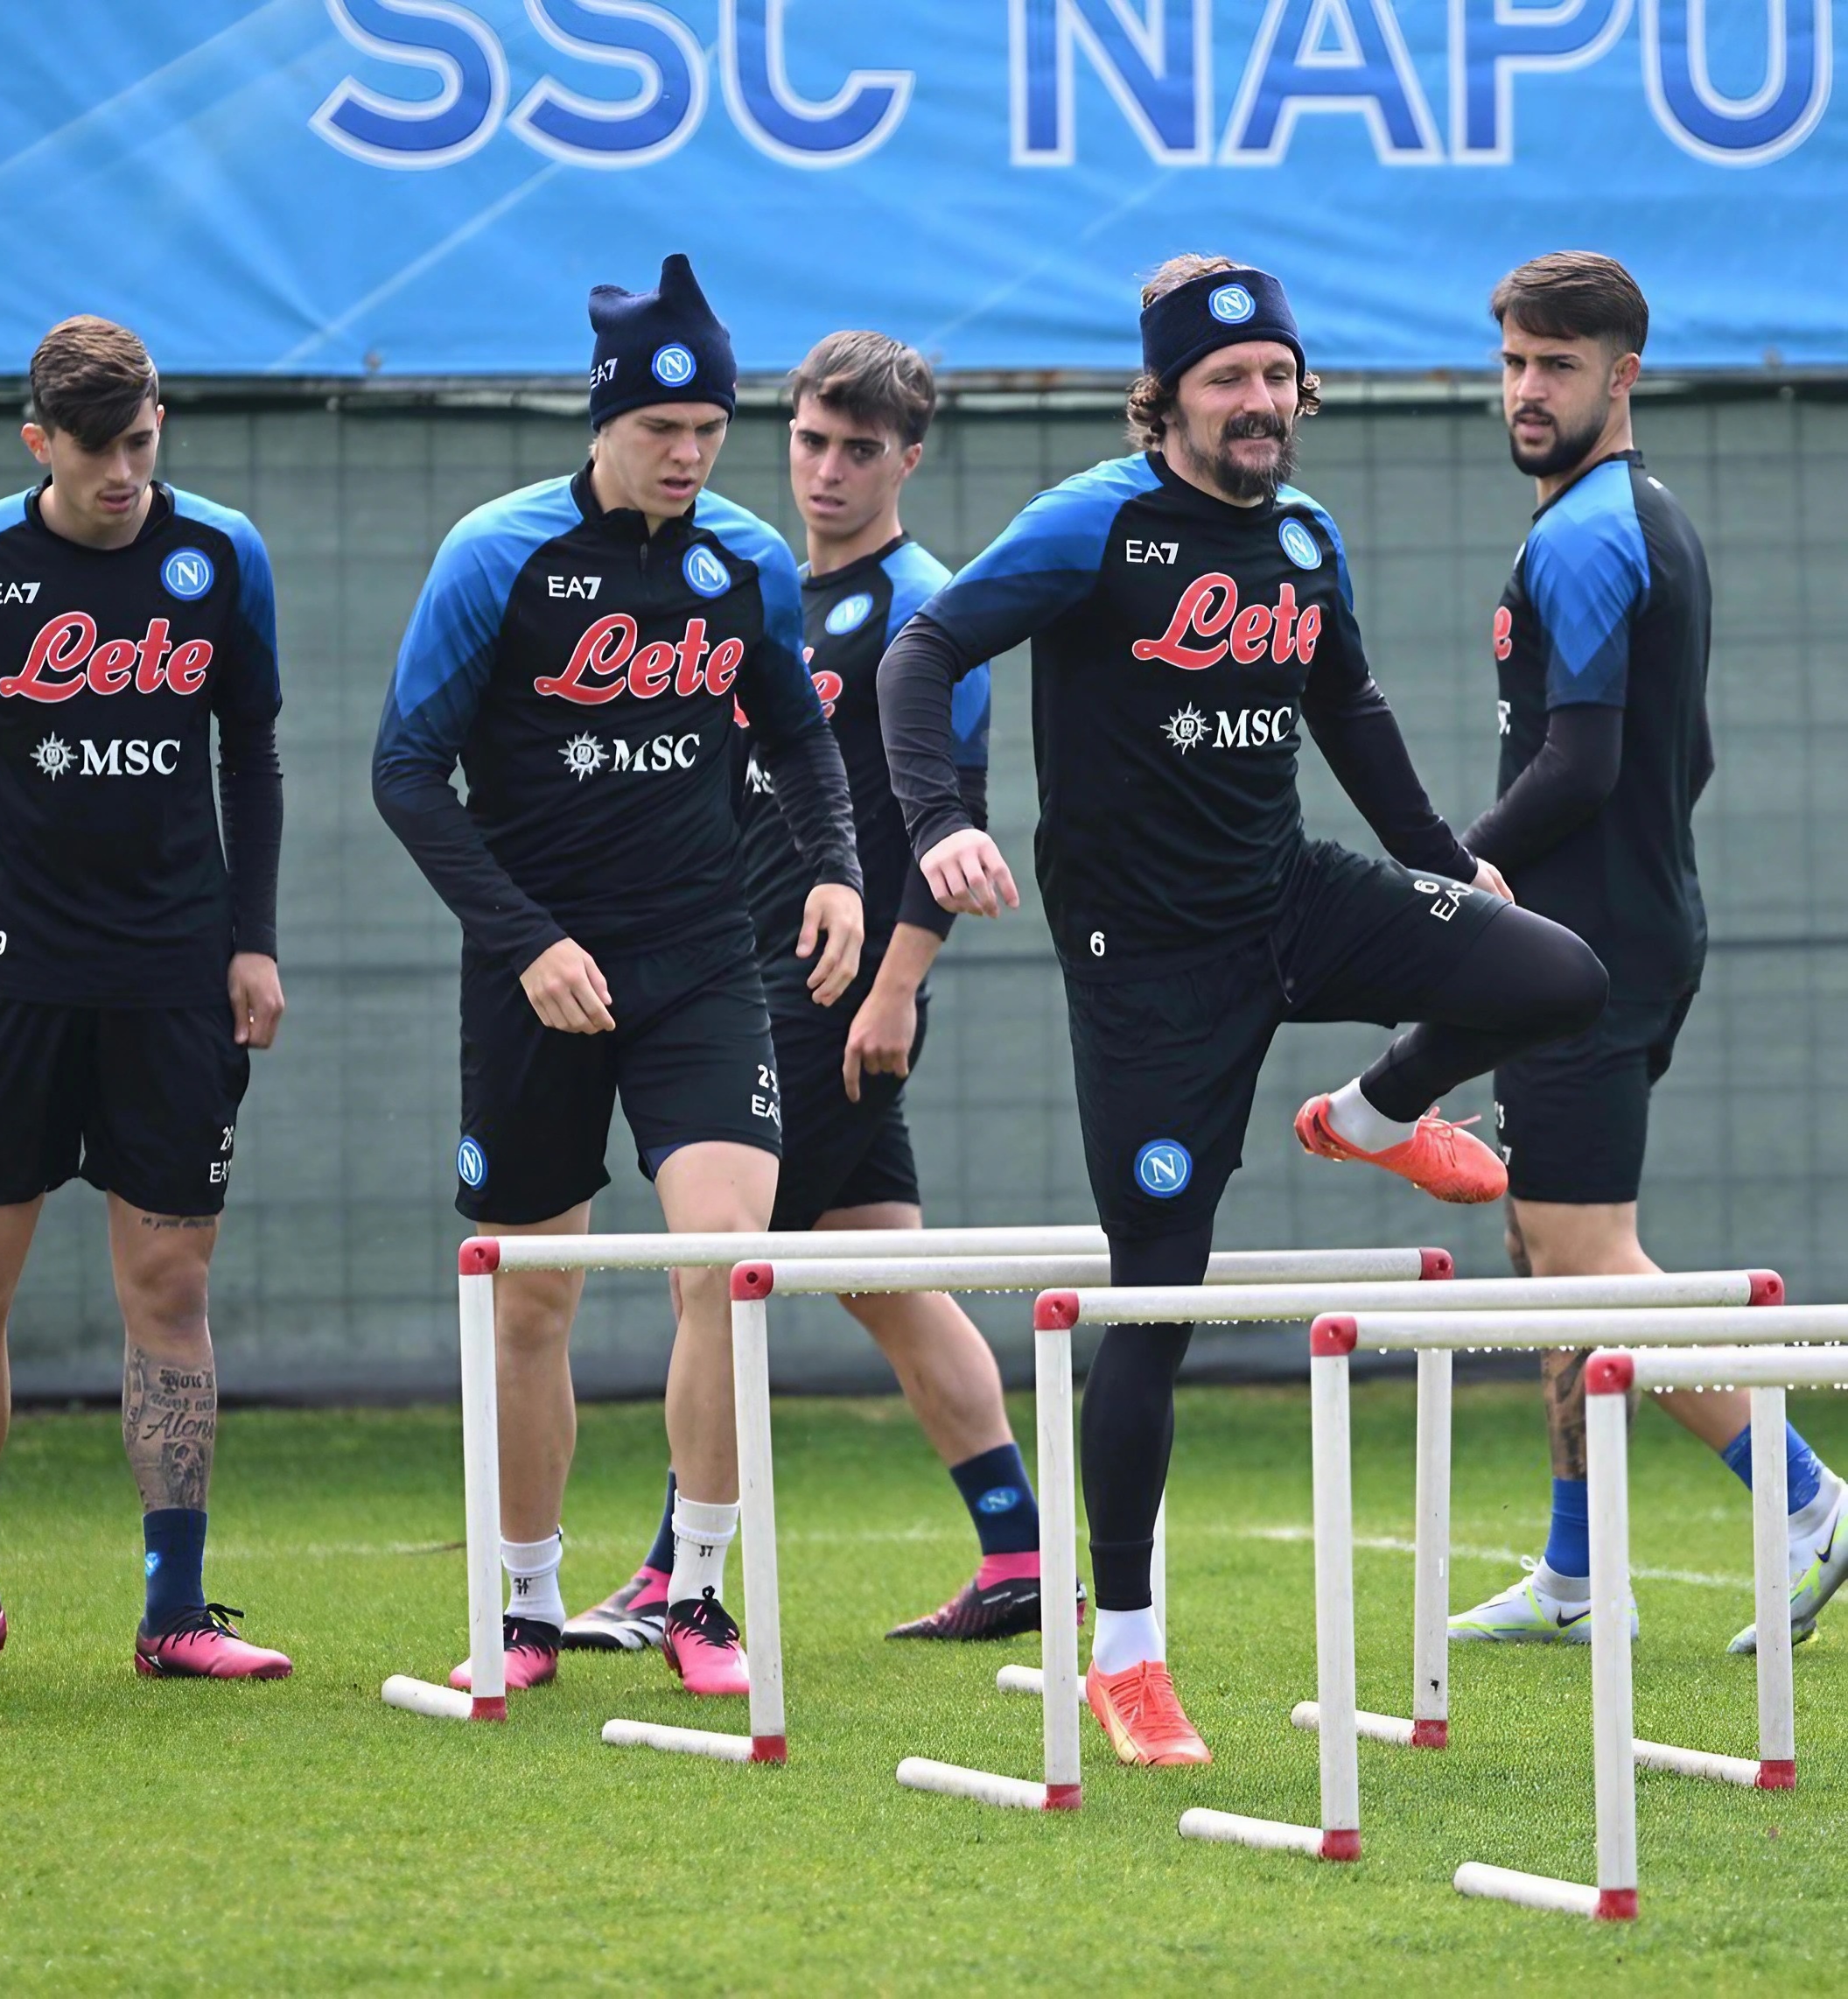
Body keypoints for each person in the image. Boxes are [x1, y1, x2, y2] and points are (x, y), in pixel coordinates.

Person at [877, 255, 1610, 1767]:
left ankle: (1371, 1116)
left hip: (1290, 898)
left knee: (1552, 970)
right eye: (1230, 381)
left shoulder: (1303, 535)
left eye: (1277, 376)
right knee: (1158, 1298)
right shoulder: (1098, 520)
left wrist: (1444, 865)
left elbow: (1346, 705)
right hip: (1146, 962)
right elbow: (925, 646)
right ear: (1169, 402)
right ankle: (1127, 1657)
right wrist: (942, 818)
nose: (1262, 402)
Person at [373, 255, 863, 1701]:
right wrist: (525, 942)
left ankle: (698, 1596)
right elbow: (406, 774)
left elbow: (800, 736)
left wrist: (835, 867)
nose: (690, 457)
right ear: (605, 422)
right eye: (665, 432)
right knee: (535, 1300)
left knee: (724, 1264)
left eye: (712, 432)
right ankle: (525, 1609)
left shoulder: (748, 563)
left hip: (705, 958)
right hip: (537, 971)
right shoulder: (500, 554)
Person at [565, 332, 1051, 1654]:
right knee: (883, 1274)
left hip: (831, 989)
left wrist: (896, 990)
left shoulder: (924, 608)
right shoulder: (766, 586)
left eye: (859, 451)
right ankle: (1019, 1554)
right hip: (761, 969)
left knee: (713, 1277)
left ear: (908, 458)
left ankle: (676, 1575)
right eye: (810, 444)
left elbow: (948, 822)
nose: (827, 473)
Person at [0, 316, 290, 1680]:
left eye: (144, 443)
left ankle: (176, 1613)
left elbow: (255, 759)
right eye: (98, 449)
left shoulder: (220, 558)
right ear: (38, 439)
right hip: (9, 976)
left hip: (171, 977)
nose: (124, 473)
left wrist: (251, 940)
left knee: (168, 1286)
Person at [1449, 252, 1844, 1652]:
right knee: (1536, 1238)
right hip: (1620, 930)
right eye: (1511, 363)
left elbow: (1584, 762)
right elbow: (1696, 754)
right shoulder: (1640, 519)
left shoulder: (1587, 535)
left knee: (1581, 1246)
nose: (1526, 391)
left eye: (1555, 366)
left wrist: (1464, 860)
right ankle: (1574, 1574)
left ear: (1622, 377)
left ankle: (1810, 1502)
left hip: (1591, 951)